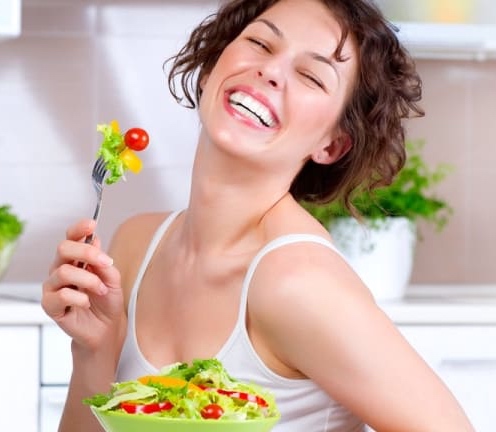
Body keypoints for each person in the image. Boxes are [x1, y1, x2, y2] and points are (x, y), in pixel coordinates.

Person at [42, 0, 475, 431]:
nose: (270, 70)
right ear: (213, 67)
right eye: (260, 43)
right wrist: (93, 349)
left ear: (332, 145)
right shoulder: (136, 244)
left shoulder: (298, 282)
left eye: (310, 75)